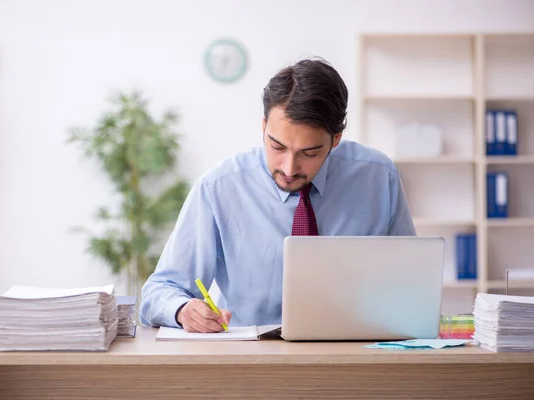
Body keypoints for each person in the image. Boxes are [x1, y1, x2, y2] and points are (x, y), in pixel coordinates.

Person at [140, 57, 416, 333]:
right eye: (277, 146)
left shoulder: (378, 177)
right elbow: (159, 291)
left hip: (357, 349)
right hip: (253, 360)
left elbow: (410, 280)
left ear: (335, 139)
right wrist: (182, 310)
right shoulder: (220, 188)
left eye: (309, 153)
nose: (289, 168)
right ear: (263, 126)